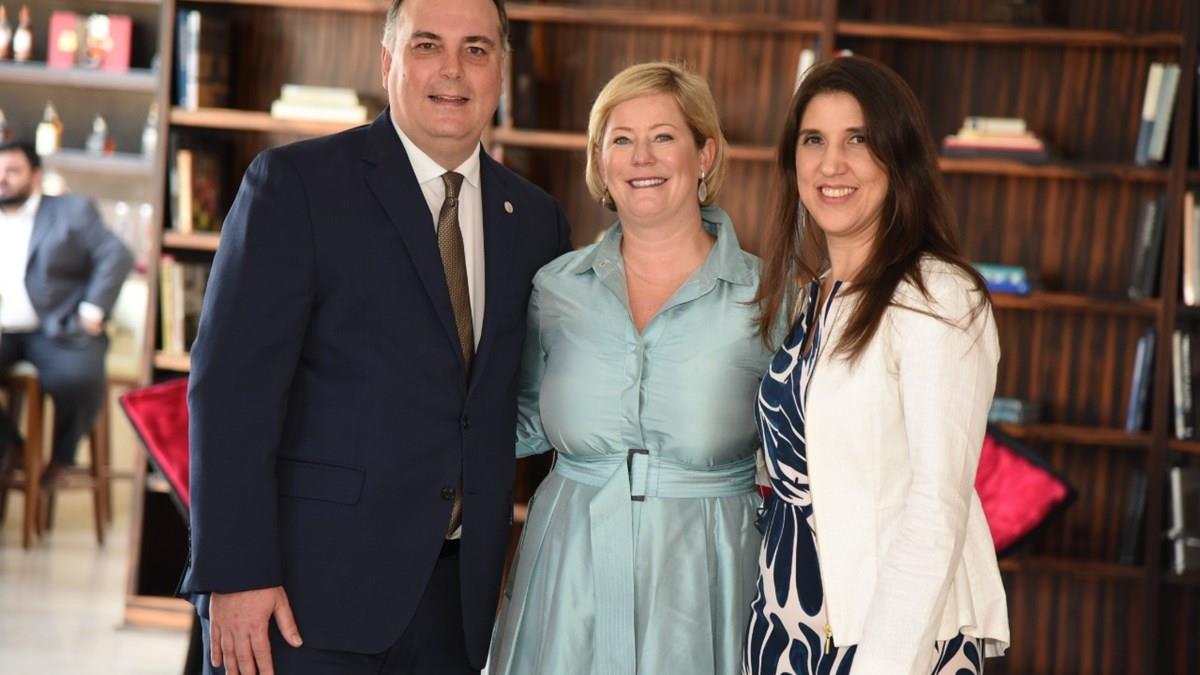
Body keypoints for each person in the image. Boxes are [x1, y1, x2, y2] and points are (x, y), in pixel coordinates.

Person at [178, 0, 570, 672]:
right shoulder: (296, 185)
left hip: (457, 605)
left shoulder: (536, 220)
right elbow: (231, 392)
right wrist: (236, 571)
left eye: (477, 49)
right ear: (388, 61)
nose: (453, 69)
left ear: (501, 70)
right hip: (303, 596)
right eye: (427, 45)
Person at [489, 61, 774, 675]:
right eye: (622, 139)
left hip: (709, 572)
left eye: (663, 136)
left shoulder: (771, 296)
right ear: (600, 160)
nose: (642, 157)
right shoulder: (555, 288)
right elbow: (517, 422)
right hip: (568, 569)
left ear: (705, 154)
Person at [742, 56, 1010, 675]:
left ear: (899, 158)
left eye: (858, 140)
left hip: (888, 638)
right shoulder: (815, 297)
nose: (831, 164)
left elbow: (936, 506)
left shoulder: (938, 296)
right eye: (814, 140)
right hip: (789, 622)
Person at [0, 139, 132, 490]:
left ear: (35, 176)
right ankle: (10, 446)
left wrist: (92, 309)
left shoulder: (72, 211)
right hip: (4, 330)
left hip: (57, 328)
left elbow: (116, 255)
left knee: (78, 377)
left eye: (12, 171)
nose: (2, 179)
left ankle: (62, 458)